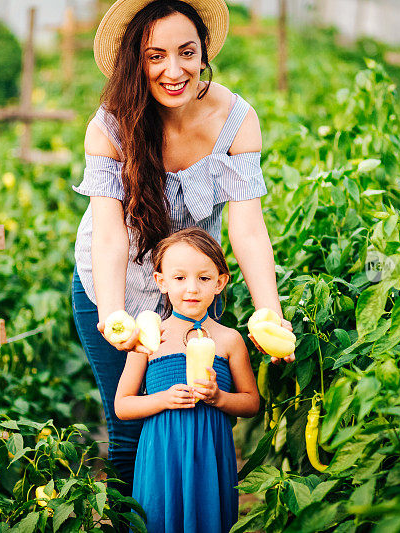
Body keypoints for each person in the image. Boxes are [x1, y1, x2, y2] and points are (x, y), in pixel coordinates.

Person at [71, 0, 294, 499]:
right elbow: (109, 235)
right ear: (136, 61)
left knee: (199, 411)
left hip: (190, 287)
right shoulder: (109, 128)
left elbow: (248, 228)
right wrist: (112, 313)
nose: (174, 71)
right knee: (130, 422)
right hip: (111, 289)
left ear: (204, 53)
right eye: (156, 57)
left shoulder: (235, 120)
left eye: (186, 52)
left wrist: (268, 311)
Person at [115, 227, 260, 532]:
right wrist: (163, 399)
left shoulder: (230, 340)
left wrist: (219, 398)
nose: (191, 289)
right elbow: (123, 405)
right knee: (158, 516)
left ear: (220, 282)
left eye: (204, 278)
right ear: (161, 281)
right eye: (179, 278)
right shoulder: (147, 338)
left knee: (208, 517)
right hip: (162, 452)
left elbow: (251, 403)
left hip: (210, 451)